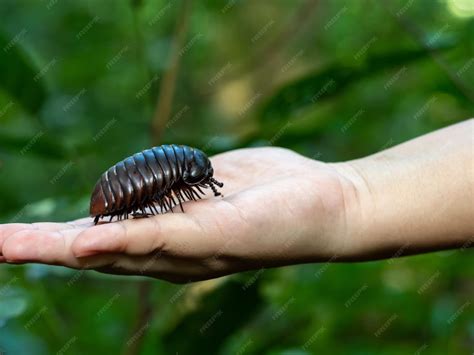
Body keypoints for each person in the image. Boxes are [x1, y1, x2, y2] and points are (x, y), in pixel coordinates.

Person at [0, 119, 472, 283]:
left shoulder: (185, 171)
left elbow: (176, 187)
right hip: (121, 190)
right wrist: (352, 194)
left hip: (124, 188)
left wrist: (350, 197)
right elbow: (165, 186)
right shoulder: (175, 174)